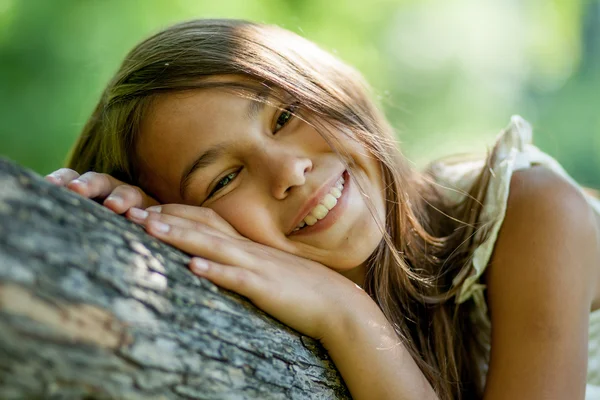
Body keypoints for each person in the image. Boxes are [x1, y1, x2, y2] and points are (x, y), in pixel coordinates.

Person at [45, 19, 600, 400]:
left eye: (284, 117)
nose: (288, 171)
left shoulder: (535, 213)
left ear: (331, 88)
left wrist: (347, 313)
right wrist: (146, 229)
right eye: (225, 179)